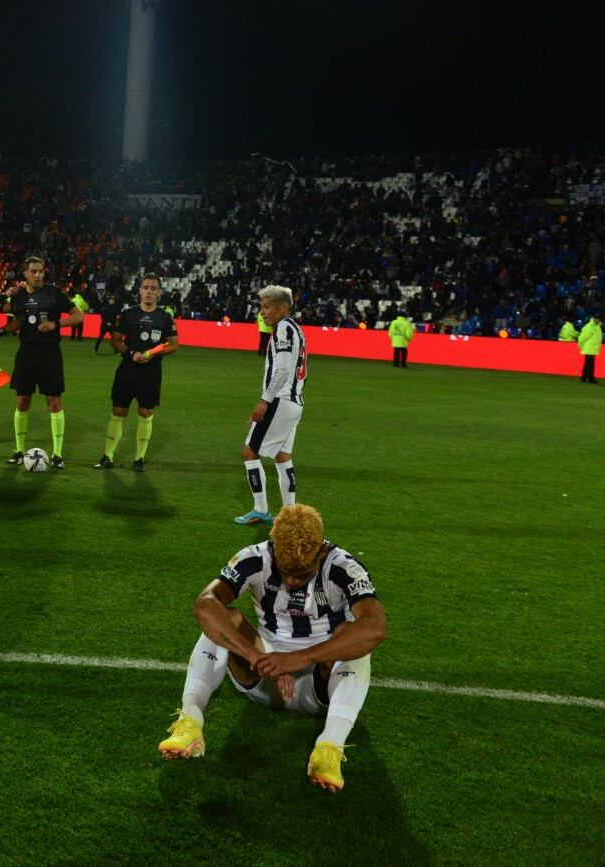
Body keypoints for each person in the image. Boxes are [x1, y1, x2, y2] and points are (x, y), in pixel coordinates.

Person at [158, 504, 387, 793]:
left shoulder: (343, 567)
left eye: (302, 574)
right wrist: (259, 657)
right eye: (286, 570)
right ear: (273, 549)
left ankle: (328, 747)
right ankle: (190, 721)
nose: (292, 581)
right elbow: (205, 605)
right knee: (223, 620)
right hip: (261, 677)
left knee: (355, 638)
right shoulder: (253, 558)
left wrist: (298, 659)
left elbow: (376, 627)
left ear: (320, 552)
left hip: (323, 683)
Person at [2, 256, 83, 468]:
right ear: (25, 274)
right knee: (22, 400)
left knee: (54, 401)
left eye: (41, 271)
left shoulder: (54, 293)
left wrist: (57, 323)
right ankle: (19, 451)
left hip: (50, 353)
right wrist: (1, 329)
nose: (38, 275)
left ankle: (57, 454)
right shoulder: (19, 297)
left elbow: (79, 316)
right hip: (26, 352)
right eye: (33, 271)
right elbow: (15, 320)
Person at [235, 285, 306, 526]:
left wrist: (264, 401)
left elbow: (284, 369)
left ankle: (260, 510)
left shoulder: (284, 328)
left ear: (281, 308)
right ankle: (289, 513)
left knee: (249, 452)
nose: (262, 313)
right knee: (283, 457)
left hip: (280, 400)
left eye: (266, 307)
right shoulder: (296, 329)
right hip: (295, 402)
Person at [93, 275, 178, 472]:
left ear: (159, 293)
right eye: (145, 287)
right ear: (139, 291)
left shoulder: (165, 317)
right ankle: (108, 456)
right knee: (118, 411)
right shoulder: (128, 314)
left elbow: (174, 345)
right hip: (128, 370)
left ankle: (139, 459)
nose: (149, 291)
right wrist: (132, 354)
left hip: (151, 371)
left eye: (153, 288)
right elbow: (115, 340)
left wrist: (152, 353)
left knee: (146, 412)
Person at [578, 311, 602, 383]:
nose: (597, 319)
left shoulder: (597, 326)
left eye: (598, 318)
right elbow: (582, 338)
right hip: (589, 348)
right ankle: (590, 378)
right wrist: (581, 347)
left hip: (592, 348)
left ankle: (584, 377)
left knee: (588, 364)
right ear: (593, 318)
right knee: (590, 364)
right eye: (596, 318)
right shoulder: (589, 326)